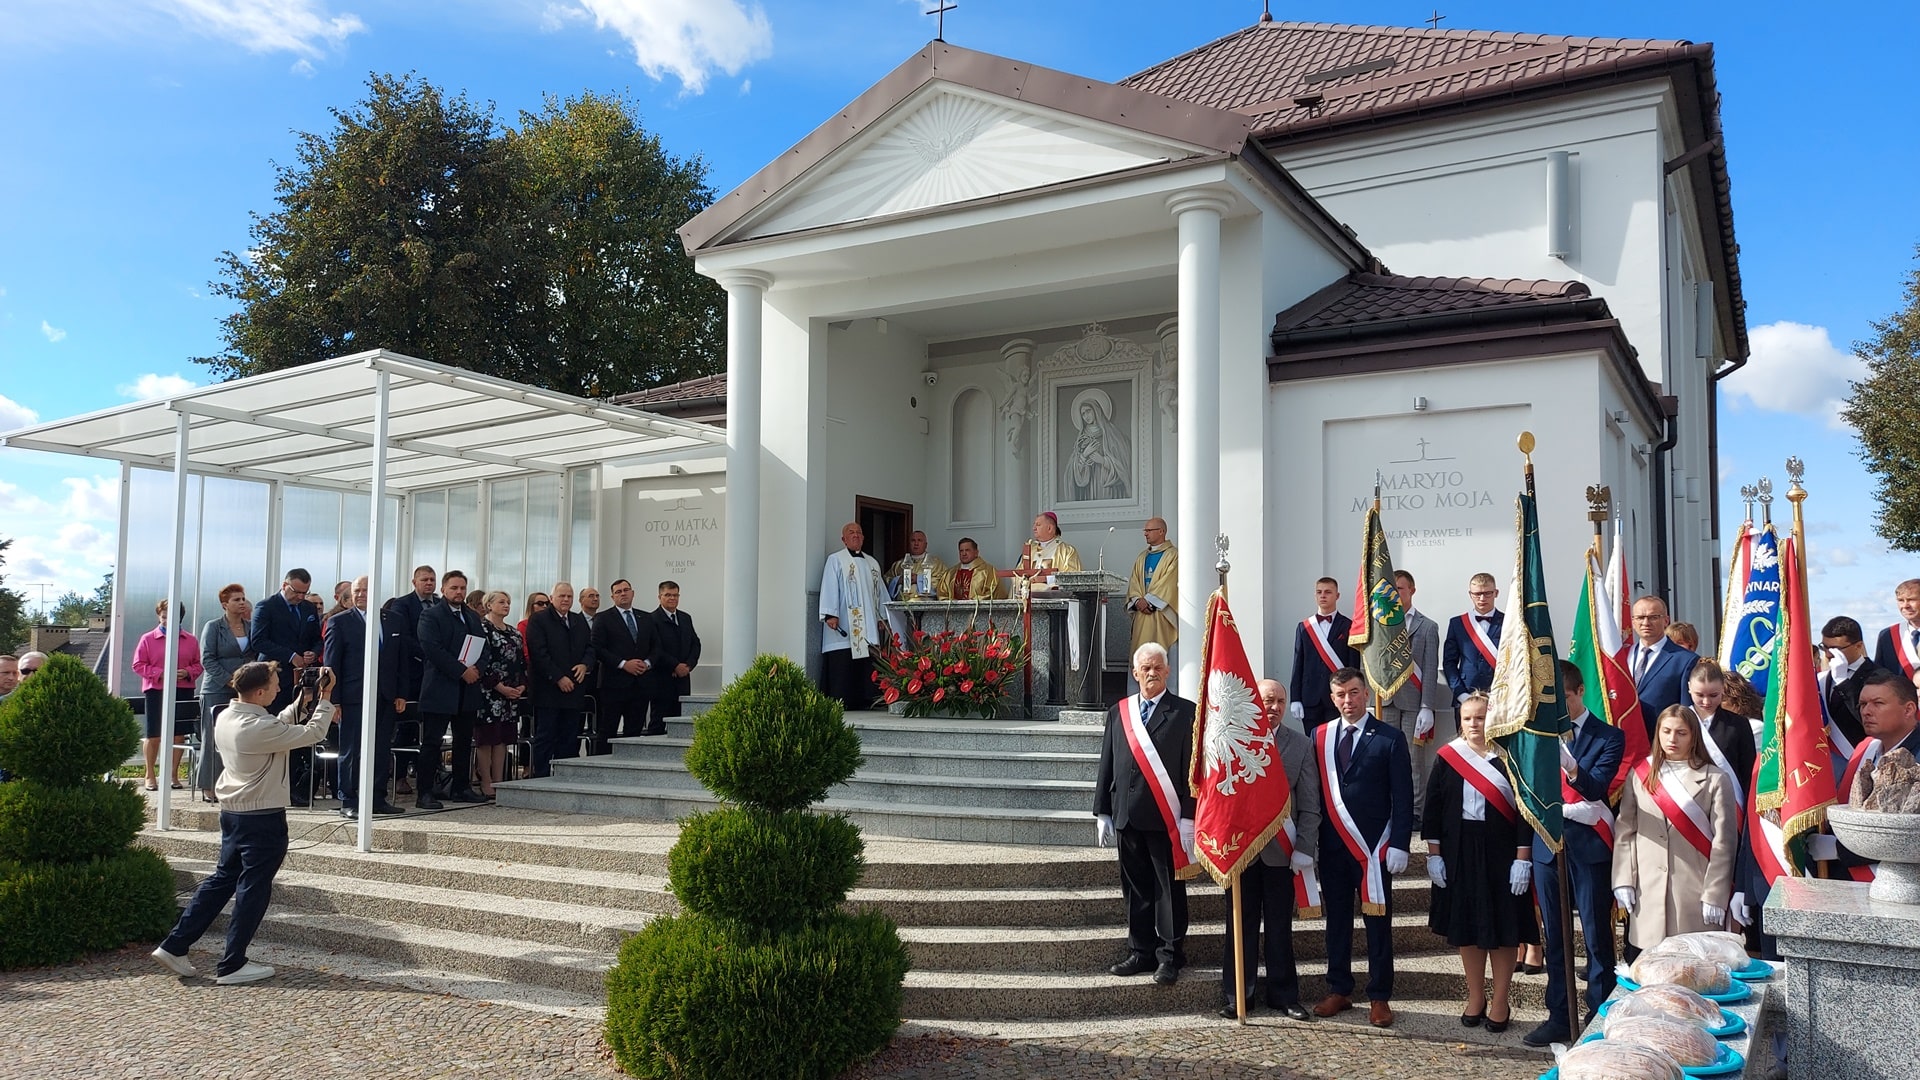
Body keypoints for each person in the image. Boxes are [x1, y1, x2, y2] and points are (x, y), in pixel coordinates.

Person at [150, 660, 336, 985]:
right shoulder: (257, 728)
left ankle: (175, 944)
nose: (280, 689)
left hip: (233, 812)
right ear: (260, 691)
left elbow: (276, 727)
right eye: (276, 685)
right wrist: (324, 699)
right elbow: (312, 733)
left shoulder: (227, 715)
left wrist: (301, 701)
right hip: (263, 816)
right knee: (254, 888)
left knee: (223, 880)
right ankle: (232, 963)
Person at [1523, 660, 1626, 1047]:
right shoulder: (1537, 734)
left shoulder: (1608, 736)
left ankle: (1600, 1014)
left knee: (1597, 937)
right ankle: (1559, 1015)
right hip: (1549, 847)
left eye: (1565, 698)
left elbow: (1598, 786)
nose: (1560, 708)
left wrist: (1570, 768)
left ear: (1580, 692)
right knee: (1556, 937)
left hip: (1589, 849)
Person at [1423, 692, 1535, 1034]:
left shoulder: (1510, 758)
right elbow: (1433, 810)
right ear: (1461, 721)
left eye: (1481, 717)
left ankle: (1500, 999)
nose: (1475, 724)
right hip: (1459, 850)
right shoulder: (1447, 758)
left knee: (1503, 929)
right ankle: (1475, 996)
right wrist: (1434, 856)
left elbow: (1525, 813)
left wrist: (1522, 859)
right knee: (1467, 928)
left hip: (1501, 852)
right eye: (1469, 718)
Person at [1312, 667, 1414, 1028]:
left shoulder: (1389, 737)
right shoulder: (1319, 736)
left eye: (1354, 693)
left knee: (1378, 924)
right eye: (1340, 695)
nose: (1347, 701)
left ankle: (1379, 995)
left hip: (1376, 851)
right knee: (1336, 922)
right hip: (1333, 848)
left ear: (1366, 695)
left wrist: (1400, 842)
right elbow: (1313, 796)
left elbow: (1403, 796)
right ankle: (1339, 988)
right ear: (1332, 697)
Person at [1092, 643, 1196, 985]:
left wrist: (1189, 817)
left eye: (1157, 668)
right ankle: (1141, 951)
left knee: (1168, 890)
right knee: (1135, 888)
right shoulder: (1119, 712)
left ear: (1167, 672)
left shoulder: (1185, 713)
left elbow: (1192, 771)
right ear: (1135, 673)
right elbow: (1108, 761)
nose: (1151, 673)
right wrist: (1102, 811)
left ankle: (1170, 955)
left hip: (1167, 819)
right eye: (1145, 668)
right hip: (1127, 815)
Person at [1217, 678, 1318, 1020]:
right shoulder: (1233, 740)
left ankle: (1284, 995)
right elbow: (1222, 801)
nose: (1272, 708)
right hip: (1241, 853)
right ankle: (1236, 995)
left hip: (1281, 854)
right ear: (1254, 703)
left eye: (1279, 702)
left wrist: (1305, 846)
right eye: (1266, 701)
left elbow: (1309, 804)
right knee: (1239, 926)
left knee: (1279, 928)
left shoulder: (1300, 745)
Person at [1613, 705, 1740, 954]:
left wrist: (1715, 893)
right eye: (1667, 731)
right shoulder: (1640, 774)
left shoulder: (1715, 778)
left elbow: (1724, 842)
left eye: (1681, 733)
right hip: (1648, 892)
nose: (1672, 739)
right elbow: (1626, 830)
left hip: (1693, 894)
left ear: (1694, 736)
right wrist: (1623, 880)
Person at [322, 576, 406, 817]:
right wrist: (333, 700)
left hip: (385, 695)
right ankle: (348, 799)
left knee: (381, 748)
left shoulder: (393, 620)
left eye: (366, 591)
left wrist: (401, 693)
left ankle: (376, 797)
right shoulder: (339, 622)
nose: (360, 595)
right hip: (352, 696)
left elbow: (400, 660)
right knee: (351, 750)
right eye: (357, 591)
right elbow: (331, 663)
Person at [415, 569, 488, 808]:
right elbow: (432, 649)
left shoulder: (472, 616)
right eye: (454, 588)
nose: (458, 592)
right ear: (444, 590)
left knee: (464, 741)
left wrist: (477, 669)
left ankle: (461, 787)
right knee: (432, 742)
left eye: (462, 588)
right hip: (440, 687)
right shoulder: (431, 615)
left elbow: (483, 646)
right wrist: (460, 671)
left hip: (468, 690)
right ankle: (425, 792)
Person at [1381, 571, 1449, 819]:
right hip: (1386, 702)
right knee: (1385, 758)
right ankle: (1390, 810)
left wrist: (1427, 707)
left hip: (1413, 703)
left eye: (1400, 588)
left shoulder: (1427, 626)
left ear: (1411, 590)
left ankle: (1416, 812)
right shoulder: (1380, 624)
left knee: (1413, 760)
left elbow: (1430, 668)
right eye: (1392, 589)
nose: (1396, 594)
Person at [251, 568, 321, 803]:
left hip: (301, 679)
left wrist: (313, 652)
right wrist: (291, 655)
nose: (300, 597)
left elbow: (316, 638)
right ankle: (271, 784)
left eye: (305, 593)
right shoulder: (266, 606)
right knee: (276, 727)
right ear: (285, 585)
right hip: (274, 676)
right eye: (297, 592)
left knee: (296, 727)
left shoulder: (309, 608)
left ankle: (294, 785)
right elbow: (258, 640)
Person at [132, 599, 203, 792]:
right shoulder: (147, 639)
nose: (166, 621)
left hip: (183, 689)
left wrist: (187, 672)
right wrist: (160, 674)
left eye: (170, 618)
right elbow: (138, 665)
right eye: (163, 617)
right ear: (159, 616)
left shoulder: (191, 640)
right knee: (153, 734)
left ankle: (172, 774)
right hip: (156, 690)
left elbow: (199, 665)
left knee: (178, 734)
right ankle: (150, 774)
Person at [819, 522, 889, 712]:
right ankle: (841, 699)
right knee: (843, 661)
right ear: (843, 539)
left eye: (859, 532)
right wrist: (831, 614)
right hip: (843, 622)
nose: (856, 535)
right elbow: (830, 586)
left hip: (868, 623)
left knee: (866, 661)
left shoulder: (872, 562)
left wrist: (882, 616)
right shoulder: (835, 560)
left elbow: (880, 591)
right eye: (851, 533)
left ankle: (866, 699)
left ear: (864, 538)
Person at [528, 581, 596, 778]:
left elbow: (590, 647)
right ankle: (540, 775)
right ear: (552, 598)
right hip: (548, 689)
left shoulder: (578, 620)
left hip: (574, 688)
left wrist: (585, 665)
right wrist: (558, 677)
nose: (566, 600)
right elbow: (539, 653)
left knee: (569, 735)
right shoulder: (539, 619)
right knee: (546, 735)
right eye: (562, 596)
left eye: (569, 596)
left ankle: (564, 776)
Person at [197, 585, 254, 801]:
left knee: (238, 739)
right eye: (236, 599)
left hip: (243, 690)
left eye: (243, 598)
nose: (241, 602)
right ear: (225, 605)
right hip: (217, 689)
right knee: (213, 738)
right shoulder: (213, 627)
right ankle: (209, 786)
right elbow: (207, 659)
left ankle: (234, 784)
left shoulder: (250, 626)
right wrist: (230, 680)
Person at [388, 566, 438, 797]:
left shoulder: (439, 604)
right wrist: (427, 653)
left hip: (435, 674)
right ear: (414, 581)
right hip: (413, 673)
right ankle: (399, 775)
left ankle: (428, 773)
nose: (429, 583)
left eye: (432, 580)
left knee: (430, 727)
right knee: (407, 727)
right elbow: (403, 638)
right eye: (424, 580)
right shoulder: (403, 604)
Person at [475, 590, 529, 798]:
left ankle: (499, 780)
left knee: (502, 739)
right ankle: (485, 780)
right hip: (489, 692)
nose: (506, 605)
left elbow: (520, 663)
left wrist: (521, 686)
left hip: (510, 693)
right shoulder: (482, 629)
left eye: (508, 602)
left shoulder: (514, 632)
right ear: (489, 605)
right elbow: (481, 661)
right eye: (501, 602)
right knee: (486, 738)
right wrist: (498, 687)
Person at [590, 578, 654, 751]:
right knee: (608, 730)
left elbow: (657, 647)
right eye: (618, 592)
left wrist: (647, 663)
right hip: (614, 683)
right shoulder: (603, 618)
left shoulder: (646, 618)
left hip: (641, 683)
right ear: (612, 597)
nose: (623, 594)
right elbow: (597, 647)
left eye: (626, 590)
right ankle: (602, 769)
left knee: (634, 731)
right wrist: (623, 664)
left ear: (632, 593)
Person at [1289, 577, 1358, 732]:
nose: (1323, 596)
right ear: (1315, 596)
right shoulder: (1304, 627)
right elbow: (1298, 664)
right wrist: (1295, 698)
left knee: (1338, 743)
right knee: (1312, 746)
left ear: (1337, 596)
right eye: (1319, 592)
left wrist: (1353, 695)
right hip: (1310, 698)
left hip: (1339, 697)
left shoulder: (1349, 626)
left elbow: (1353, 666)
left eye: (1328, 592)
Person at [1628, 596, 1698, 736]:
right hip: (1624, 743)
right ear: (1633, 622)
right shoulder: (1621, 656)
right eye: (1640, 617)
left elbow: (1686, 710)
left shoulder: (1686, 660)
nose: (1646, 623)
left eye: (1653, 617)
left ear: (1666, 620)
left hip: (1661, 742)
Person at [644, 581, 701, 735]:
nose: (672, 598)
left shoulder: (685, 618)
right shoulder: (651, 619)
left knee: (682, 724)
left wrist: (688, 666)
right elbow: (655, 649)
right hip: (661, 679)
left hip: (683, 679)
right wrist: (674, 665)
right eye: (668, 595)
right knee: (658, 723)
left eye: (675, 595)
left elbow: (695, 644)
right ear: (659, 596)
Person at [1443, 573, 1504, 704]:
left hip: (1501, 697)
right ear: (1470, 594)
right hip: (1466, 694)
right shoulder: (1457, 623)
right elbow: (1449, 662)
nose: (1482, 598)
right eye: (1477, 594)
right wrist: (1460, 693)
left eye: (1487, 593)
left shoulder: (1509, 622)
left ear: (1496, 593)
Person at [1822, 616, 1879, 754]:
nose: (1828, 654)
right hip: (1826, 756)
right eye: (1825, 647)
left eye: (1836, 649)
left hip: (1862, 754)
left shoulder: (1880, 676)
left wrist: (1842, 682)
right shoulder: (1823, 678)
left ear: (1858, 646)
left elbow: (1873, 717)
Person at [1124, 518, 1178, 660]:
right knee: (1140, 657)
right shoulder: (1142, 557)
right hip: (1142, 615)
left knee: (1162, 659)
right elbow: (1134, 582)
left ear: (1161, 531)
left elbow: (1169, 583)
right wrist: (1137, 601)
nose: (1145, 534)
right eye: (1145, 530)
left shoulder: (1173, 555)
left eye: (1149, 530)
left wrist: (1148, 601)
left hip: (1161, 614)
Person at [1014, 511, 1081, 587]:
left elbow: (1073, 578)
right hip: (1030, 597)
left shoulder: (1067, 551)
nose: (1034, 528)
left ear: (1049, 528)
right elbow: (1016, 575)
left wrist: (1047, 579)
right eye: (1034, 525)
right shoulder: (1029, 551)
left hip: (1055, 597)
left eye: (1038, 525)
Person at [1872, 578, 1920, 681]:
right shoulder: (1887, 635)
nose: (1905, 606)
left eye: (1911, 600)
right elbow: (1880, 676)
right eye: (1901, 600)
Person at [887, 530, 948, 600]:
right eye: (913, 540)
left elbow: (942, 583)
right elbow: (886, 581)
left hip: (925, 605)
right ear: (909, 544)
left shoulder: (936, 563)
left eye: (919, 540)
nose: (916, 543)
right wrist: (898, 580)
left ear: (926, 545)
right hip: (901, 604)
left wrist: (919, 579)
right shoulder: (898, 565)